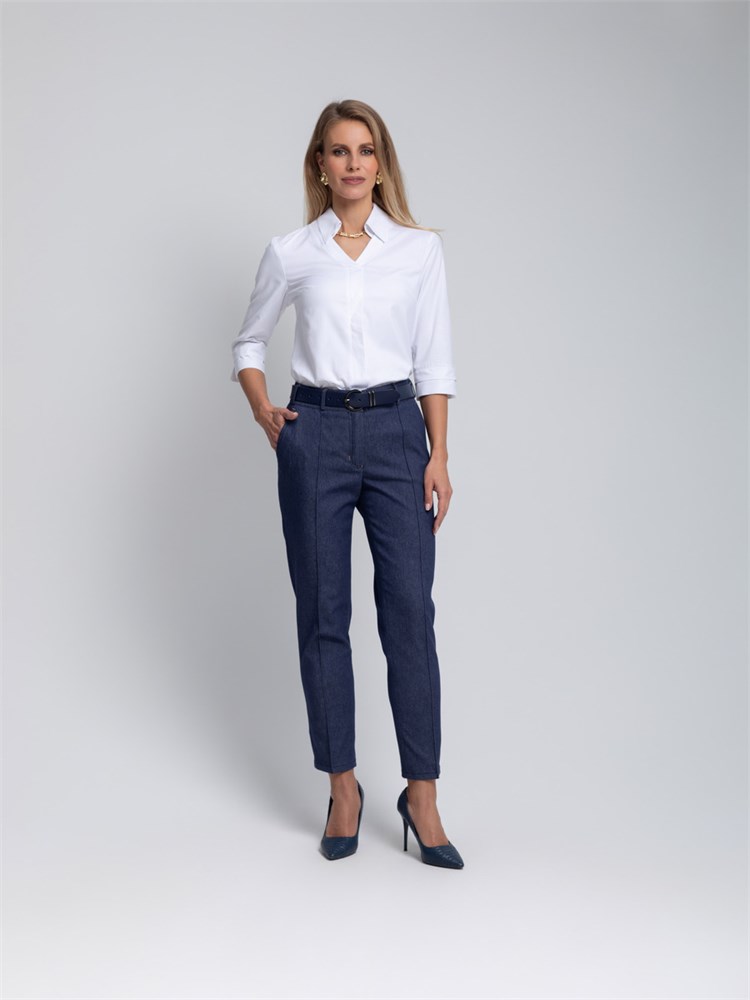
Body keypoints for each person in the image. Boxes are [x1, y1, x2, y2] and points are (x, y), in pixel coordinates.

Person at [230, 99, 464, 869]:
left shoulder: (419, 252)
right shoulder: (292, 252)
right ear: (320, 165)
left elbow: (433, 358)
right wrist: (264, 408)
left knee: (410, 615)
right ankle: (343, 789)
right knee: (323, 615)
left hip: (398, 433)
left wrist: (438, 452)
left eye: (366, 150)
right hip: (318, 434)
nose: (354, 163)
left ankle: (422, 798)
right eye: (339, 151)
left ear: (382, 164)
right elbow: (250, 340)